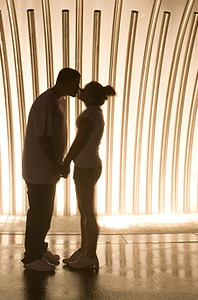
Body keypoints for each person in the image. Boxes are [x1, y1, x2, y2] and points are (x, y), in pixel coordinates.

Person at [22, 67, 81, 272]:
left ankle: (39, 249)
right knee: (38, 213)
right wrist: (58, 165)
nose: (78, 89)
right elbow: (44, 140)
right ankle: (31, 258)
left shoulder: (57, 100)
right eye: (75, 85)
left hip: (45, 171)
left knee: (44, 213)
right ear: (63, 84)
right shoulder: (48, 104)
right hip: (40, 170)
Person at [61, 81, 116, 270]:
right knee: (84, 210)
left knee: (88, 212)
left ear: (91, 96)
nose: (80, 91)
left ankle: (91, 256)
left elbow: (81, 140)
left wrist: (67, 160)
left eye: (84, 89)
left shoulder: (91, 114)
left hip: (86, 166)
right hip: (89, 165)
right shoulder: (95, 113)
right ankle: (84, 250)